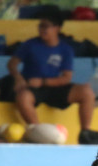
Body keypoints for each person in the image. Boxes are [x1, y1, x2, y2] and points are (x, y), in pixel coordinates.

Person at [7, 6, 98, 145]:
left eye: (46, 26)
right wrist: (19, 79)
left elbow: (66, 77)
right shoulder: (30, 44)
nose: (42, 30)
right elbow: (12, 64)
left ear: (57, 28)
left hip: (54, 87)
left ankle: (85, 132)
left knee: (86, 92)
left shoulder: (65, 49)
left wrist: (43, 82)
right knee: (23, 97)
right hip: (33, 88)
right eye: (40, 26)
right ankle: (39, 132)